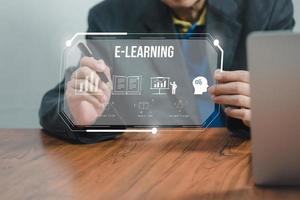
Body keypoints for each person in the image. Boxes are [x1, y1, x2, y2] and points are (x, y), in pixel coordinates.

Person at [39, 0, 294, 143]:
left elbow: (289, 98)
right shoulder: (111, 16)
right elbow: (56, 103)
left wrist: (275, 109)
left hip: (240, 161)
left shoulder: (267, 7)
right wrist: (79, 113)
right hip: (151, 167)